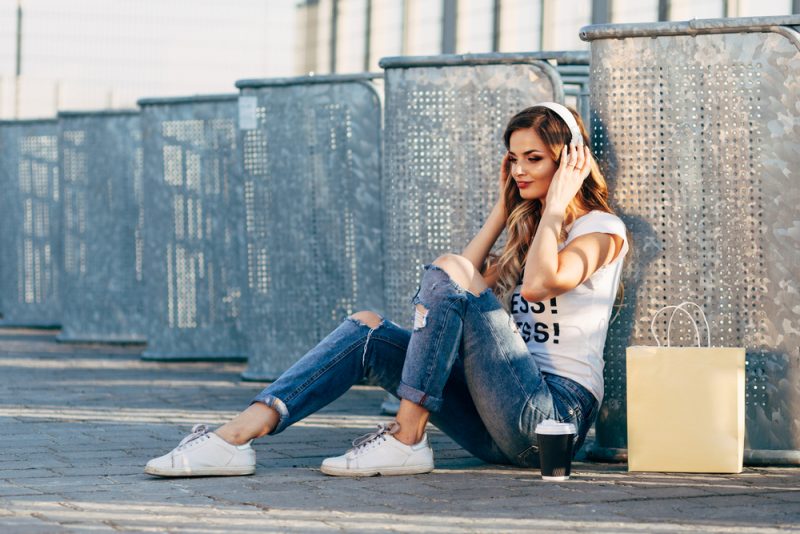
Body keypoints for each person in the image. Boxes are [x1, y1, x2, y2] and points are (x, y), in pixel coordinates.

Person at [144, 102, 628, 478]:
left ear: (569, 162)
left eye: (535, 159)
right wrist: (502, 210)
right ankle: (235, 438)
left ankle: (405, 435)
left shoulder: (603, 231)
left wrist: (558, 205)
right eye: (514, 159)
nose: (520, 170)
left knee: (452, 268)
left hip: (550, 423)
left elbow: (543, 283)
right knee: (369, 328)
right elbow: (463, 283)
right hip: (496, 419)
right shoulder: (531, 229)